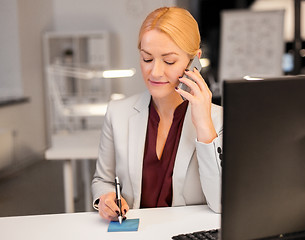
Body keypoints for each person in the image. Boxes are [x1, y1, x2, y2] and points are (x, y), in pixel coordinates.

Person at [91, 6, 223, 222]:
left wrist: (203, 125)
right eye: (147, 59)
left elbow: (220, 203)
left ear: (194, 61)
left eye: (169, 61)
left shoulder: (218, 120)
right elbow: (102, 180)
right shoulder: (118, 113)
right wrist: (105, 198)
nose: (155, 72)